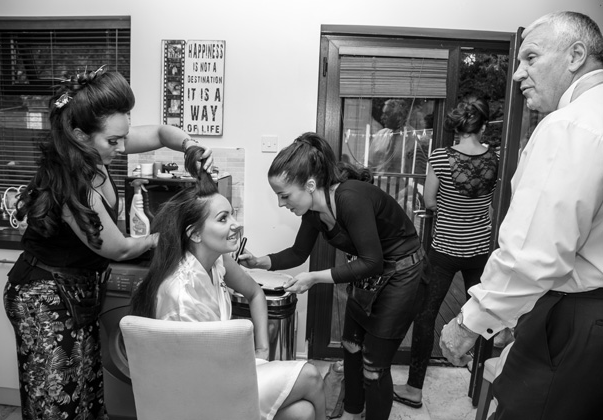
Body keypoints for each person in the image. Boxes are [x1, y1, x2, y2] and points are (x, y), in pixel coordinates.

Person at [3, 67, 213, 420]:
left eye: (123, 136)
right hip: (44, 296)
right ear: (79, 135)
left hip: (80, 289)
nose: (121, 147)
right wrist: (176, 231)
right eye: (112, 141)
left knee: (85, 394)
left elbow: (162, 132)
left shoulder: (97, 146)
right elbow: (118, 248)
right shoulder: (72, 181)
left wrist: (190, 145)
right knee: (58, 405)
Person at [439, 11, 603, 420]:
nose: (517, 74)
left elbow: (536, 250)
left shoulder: (571, 126)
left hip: (577, 316)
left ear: (575, 55)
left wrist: (471, 322)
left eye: (530, 58)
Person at [129, 145, 326, 420]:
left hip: (223, 371)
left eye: (232, 214)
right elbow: (199, 374)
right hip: (202, 394)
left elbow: (255, 293)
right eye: (223, 219)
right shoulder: (182, 294)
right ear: (195, 233)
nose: (235, 224)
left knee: (302, 413)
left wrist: (262, 351)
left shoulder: (218, 261)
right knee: (311, 376)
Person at [239, 132, 426, 420]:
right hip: (369, 274)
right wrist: (260, 261)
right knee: (351, 348)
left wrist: (314, 278)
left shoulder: (350, 198)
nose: (281, 204)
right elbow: (298, 253)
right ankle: (352, 412)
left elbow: (372, 261)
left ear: (310, 184)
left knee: (374, 367)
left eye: (284, 195)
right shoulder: (313, 212)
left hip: (403, 273)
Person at [393, 96, 499, 408]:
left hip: (446, 248)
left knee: (426, 315)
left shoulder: (440, 158)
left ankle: (414, 388)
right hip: (480, 248)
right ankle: (482, 381)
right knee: (484, 312)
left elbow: (429, 202)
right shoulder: (494, 159)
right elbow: (491, 203)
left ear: (457, 125)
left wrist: (449, 208)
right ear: (482, 125)